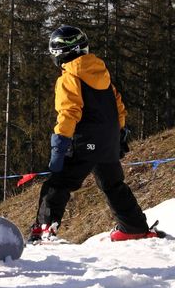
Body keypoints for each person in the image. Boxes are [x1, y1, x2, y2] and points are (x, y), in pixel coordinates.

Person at [29, 26, 163, 242]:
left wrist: (59, 144)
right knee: (113, 184)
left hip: (84, 143)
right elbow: (119, 108)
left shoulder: (69, 77)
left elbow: (69, 112)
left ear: (58, 54)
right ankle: (134, 227)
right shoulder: (102, 75)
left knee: (59, 183)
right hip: (108, 142)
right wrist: (118, 136)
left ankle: (45, 229)